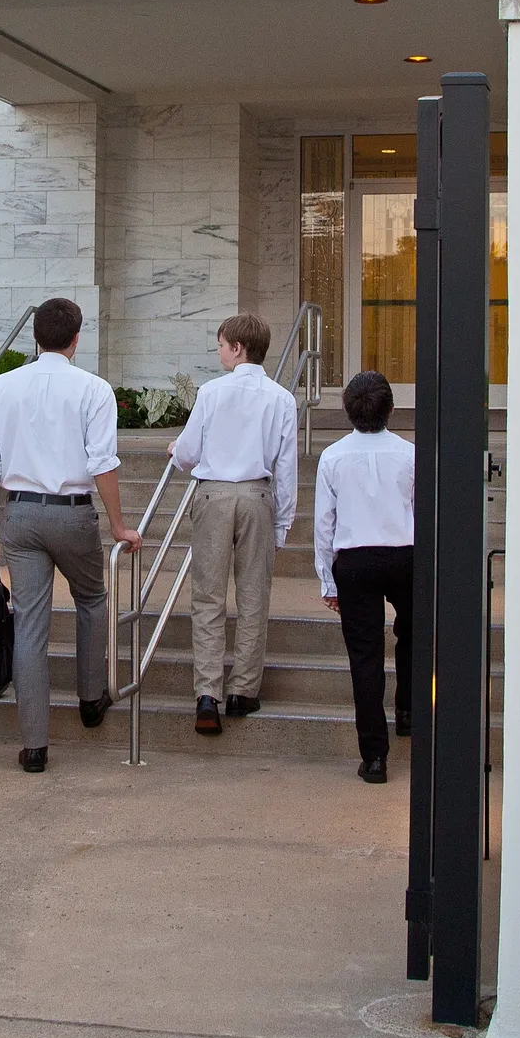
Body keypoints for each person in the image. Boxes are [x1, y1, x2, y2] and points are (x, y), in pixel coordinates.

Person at [0, 297, 135, 774]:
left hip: (19, 515)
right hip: (72, 513)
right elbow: (102, 463)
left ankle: (34, 744)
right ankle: (90, 699)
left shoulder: (3, 386)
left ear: (35, 337)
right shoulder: (94, 389)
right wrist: (119, 525)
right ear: (77, 338)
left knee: (29, 624)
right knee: (91, 599)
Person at [168, 312, 298, 736]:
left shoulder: (212, 392)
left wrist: (177, 448)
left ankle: (208, 693)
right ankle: (243, 689)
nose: (219, 351)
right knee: (253, 595)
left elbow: (188, 452)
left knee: (207, 597)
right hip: (258, 495)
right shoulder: (281, 398)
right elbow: (287, 469)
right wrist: (283, 525)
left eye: (222, 344)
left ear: (238, 348)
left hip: (214, 493)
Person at [314, 370, 415, 784]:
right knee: (413, 634)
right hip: (405, 556)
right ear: (391, 408)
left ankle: (374, 756)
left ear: (346, 410)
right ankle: (408, 709)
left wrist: (328, 579)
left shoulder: (333, 456)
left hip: (355, 560)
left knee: (365, 657)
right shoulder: (410, 454)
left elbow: (324, 523)